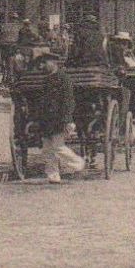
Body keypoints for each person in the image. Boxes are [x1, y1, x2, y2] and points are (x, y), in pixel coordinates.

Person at [33, 52, 85, 184]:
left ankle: (78, 163)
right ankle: (53, 175)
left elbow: (68, 100)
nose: (42, 66)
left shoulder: (64, 78)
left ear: (53, 62)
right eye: (41, 63)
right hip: (46, 119)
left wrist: (67, 119)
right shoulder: (46, 80)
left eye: (44, 62)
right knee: (47, 149)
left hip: (58, 118)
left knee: (58, 147)